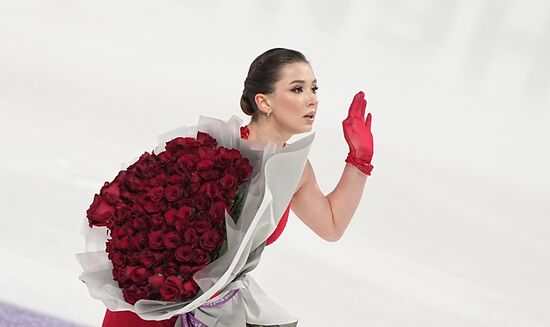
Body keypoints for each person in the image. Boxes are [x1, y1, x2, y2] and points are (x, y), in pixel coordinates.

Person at [101, 47, 374, 327]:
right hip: (156, 303)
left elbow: (331, 225)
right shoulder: (214, 150)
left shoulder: (295, 169)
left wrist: (359, 159)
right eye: (297, 89)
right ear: (264, 102)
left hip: (215, 310)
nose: (312, 100)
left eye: (314, 88)